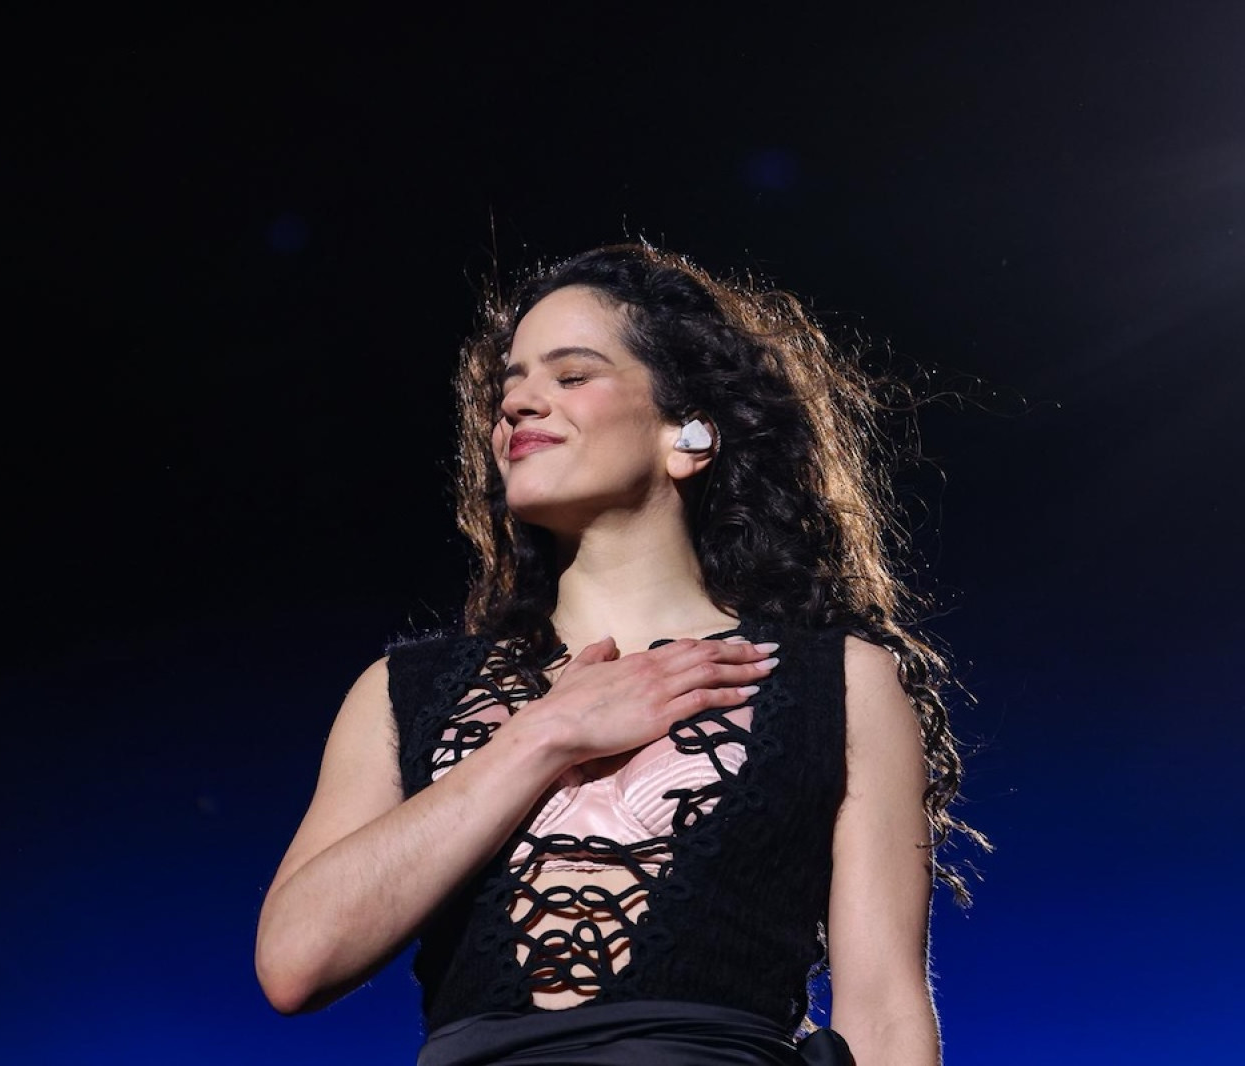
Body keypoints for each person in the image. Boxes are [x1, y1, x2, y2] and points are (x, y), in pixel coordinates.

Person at [255, 243, 982, 1065]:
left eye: (570, 377)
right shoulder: (403, 691)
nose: (519, 405)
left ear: (689, 434)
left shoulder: (840, 682)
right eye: (509, 387)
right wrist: (543, 736)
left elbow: (884, 1013)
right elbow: (294, 963)